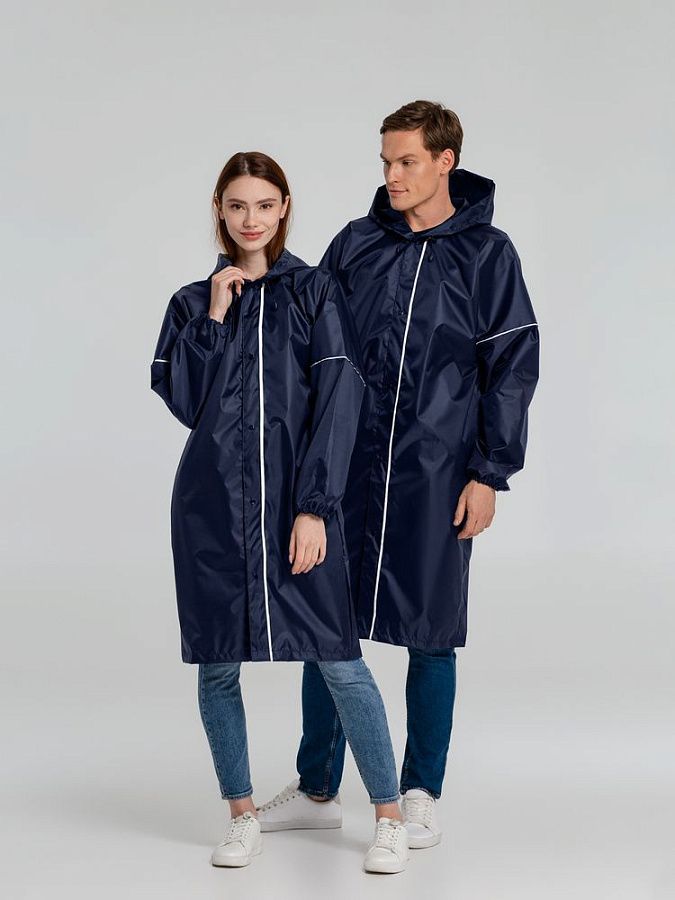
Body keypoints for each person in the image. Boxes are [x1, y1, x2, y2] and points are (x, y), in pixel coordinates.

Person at [257, 101, 540, 850]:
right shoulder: (356, 243)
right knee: (327, 625)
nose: (392, 175)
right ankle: (318, 787)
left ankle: (418, 792)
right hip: (345, 468)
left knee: (431, 632)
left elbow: (511, 369)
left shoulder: (487, 255)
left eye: (407, 161)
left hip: (435, 472)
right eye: (385, 161)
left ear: (445, 161)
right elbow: (306, 341)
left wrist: (488, 473)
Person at [149, 151, 409, 874]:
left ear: (284, 207)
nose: (251, 219)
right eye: (237, 205)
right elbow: (186, 402)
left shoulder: (313, 291)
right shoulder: (191, 303)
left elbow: (339, 400)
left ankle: (388, 817)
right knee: (216, 669)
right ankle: (241, 816)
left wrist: (315, 508)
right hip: (212, 512)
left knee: (340, 662)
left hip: (296, 507)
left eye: (264, 205)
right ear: (219, 210)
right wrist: (215, 316)